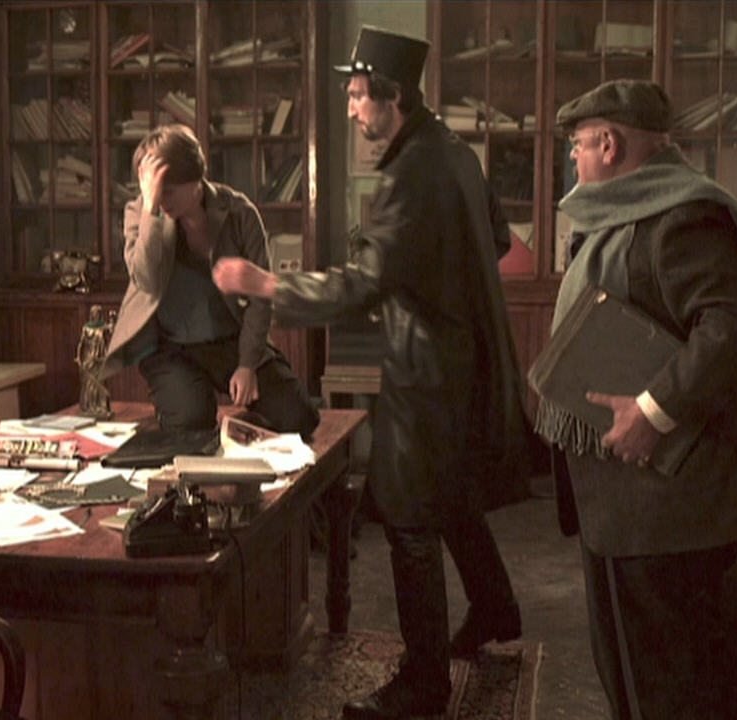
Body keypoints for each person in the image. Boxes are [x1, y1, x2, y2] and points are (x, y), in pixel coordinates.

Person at [213, 26, 535, 720]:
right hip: (466, 357)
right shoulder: (454, 152)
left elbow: (361, 284)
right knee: (452, 497)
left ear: (394, 97)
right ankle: (495, 606)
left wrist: (267, 284)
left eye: (360, 95)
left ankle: (423, 682)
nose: (353, 108)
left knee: (409, 518)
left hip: (429, 371)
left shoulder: (410, 172)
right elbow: (497, 237)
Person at [539, 79, 737, 719]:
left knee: (662, 694)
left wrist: (652, 410)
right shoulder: (628, 214)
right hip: (632, 508)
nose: (574, 159)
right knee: (632, 682)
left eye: (578, 145)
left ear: (609, 144)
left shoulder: (683, 216)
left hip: (667, 515)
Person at [101, 124, 318, 438]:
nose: (160, 198)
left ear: (195, 181)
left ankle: (239, 427)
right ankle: (186, 406)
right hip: (171, 346)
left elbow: (260, 297)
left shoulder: (240, 212)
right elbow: (146, 279)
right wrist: (151, 210)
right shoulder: (143, 212)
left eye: (167, 190)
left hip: (230, 339)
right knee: (191, 423)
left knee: (299, 416)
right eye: (152, 189)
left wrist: (247, 365)